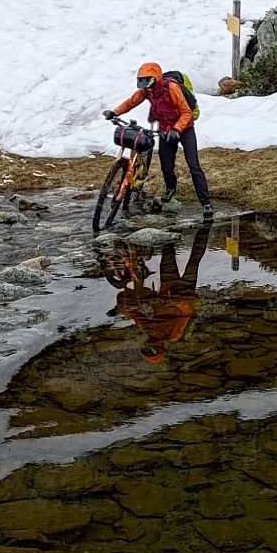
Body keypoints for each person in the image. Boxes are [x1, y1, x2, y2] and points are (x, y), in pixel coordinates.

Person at [105, 61, 213, 216]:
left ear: (155, 78)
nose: (144, 84)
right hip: (165, 130)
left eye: (147, 80)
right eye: (141, 81)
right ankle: (170, 189)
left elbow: (186, 113)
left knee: (193, 165)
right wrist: (115, 112)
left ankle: (206, 203)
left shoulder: (172, 88)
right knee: (166, 166)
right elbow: (131, 102)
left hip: (185, 129)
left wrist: (177, 129)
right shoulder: (146, 91)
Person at [106, 229, 211, 361]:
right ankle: (205, 229)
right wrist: (176, 302)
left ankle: (171, 227)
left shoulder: (147, 331)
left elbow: (137, 316)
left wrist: (121, 310)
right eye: (150, 351)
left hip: (166, 291)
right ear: (159, 349)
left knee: (167, 256)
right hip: (185, 293)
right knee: (194, 260)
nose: (147, 346)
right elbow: (186, 312)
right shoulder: (173, 335)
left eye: (145, 350)